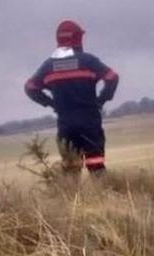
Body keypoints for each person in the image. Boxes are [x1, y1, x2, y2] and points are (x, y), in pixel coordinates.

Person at [24, 20, 119, 175]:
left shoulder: (49, 66)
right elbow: (112, 77)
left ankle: (72, 199)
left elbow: (30, 87)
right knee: (96, 166)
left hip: (66, 123)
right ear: (77, 38)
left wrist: (50, 103)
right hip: (90, 121)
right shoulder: (88, 61)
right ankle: (103, 197)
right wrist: (101, 100)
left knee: (71, 169)